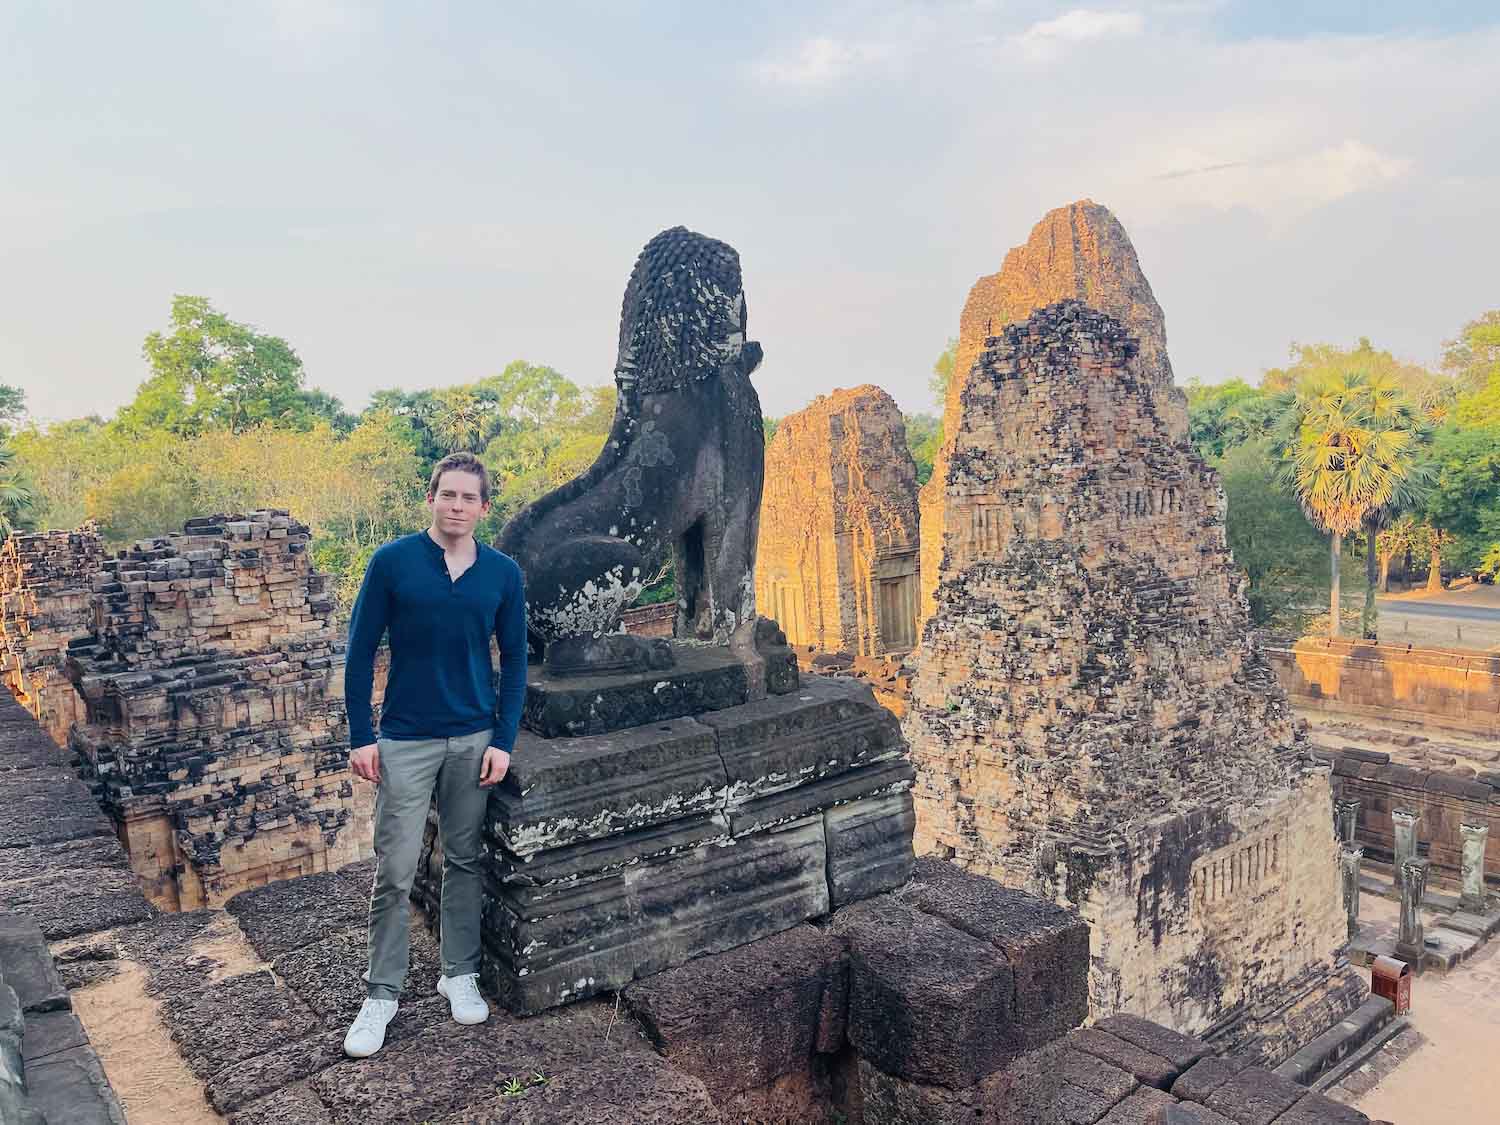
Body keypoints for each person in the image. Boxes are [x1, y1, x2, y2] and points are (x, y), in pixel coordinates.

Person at [340, 451, 527, 1058]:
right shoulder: (393, 562)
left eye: (468, 498)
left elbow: (517, 660)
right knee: (393, 869)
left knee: (465, 860)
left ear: (483, 508)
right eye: (448, 495)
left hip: (473, 736)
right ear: (432, 499)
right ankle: (382, 994)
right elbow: (361, 649)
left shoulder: (501, 573)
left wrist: (503, 739)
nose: (456, 506)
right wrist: (360, 735)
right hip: (406, 736)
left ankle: (459, 972)